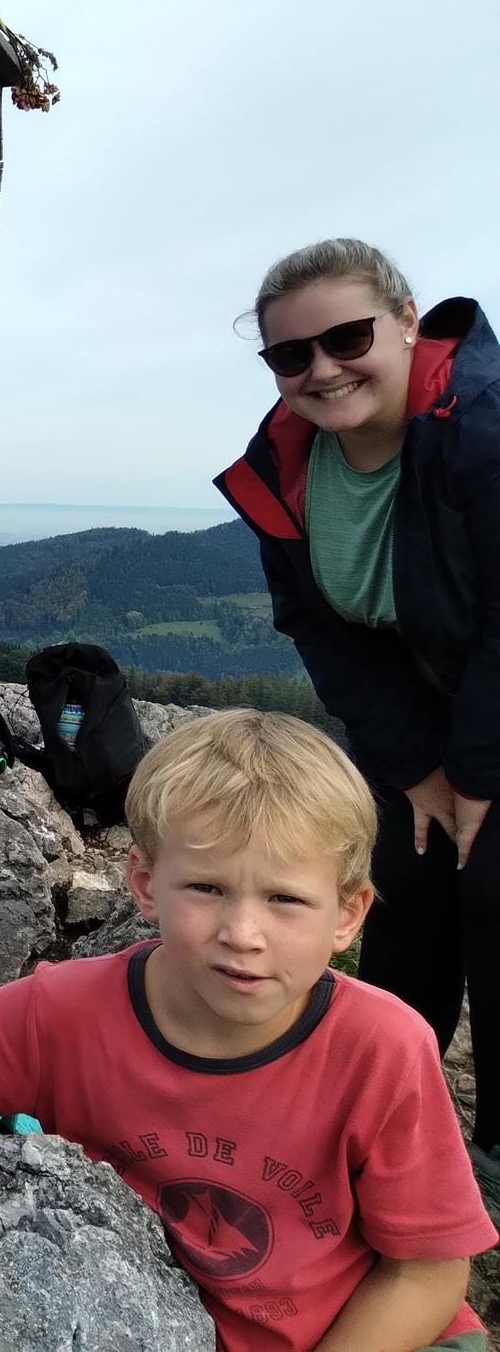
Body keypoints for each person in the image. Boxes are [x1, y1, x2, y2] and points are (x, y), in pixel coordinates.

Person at [0, 711, 496, 1352]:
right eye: (206, 889)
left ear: (348, 914)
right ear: (143, 882)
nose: (242, 934)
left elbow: (430, 1275)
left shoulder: (382, 1047)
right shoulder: (71, 1012)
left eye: (285, 899)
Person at [214, 239, 500, 1203]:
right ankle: (378, 1116)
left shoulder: (481, 429)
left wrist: (475, 774)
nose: (321, 369)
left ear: (408, 321)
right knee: (406, 883)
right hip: (423, 712)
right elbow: (321, 627)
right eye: (291, 356)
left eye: (346, 337)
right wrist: (418, 768)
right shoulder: (284, 463)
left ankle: (491, 1161)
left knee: (494, 889)